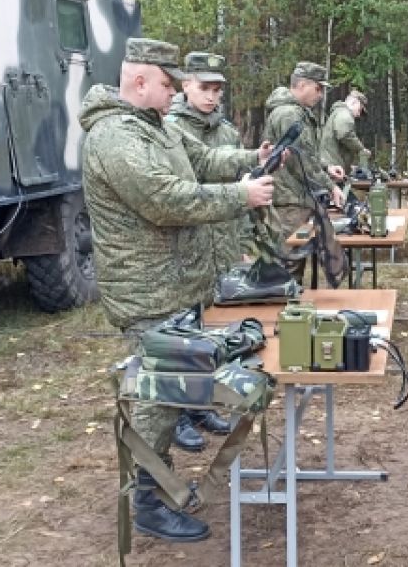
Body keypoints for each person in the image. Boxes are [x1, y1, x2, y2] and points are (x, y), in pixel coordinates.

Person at [80, 37, 277, 542]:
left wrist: (253, 156)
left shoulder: (157, 127)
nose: (175, 94)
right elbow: (165, 200)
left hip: (177, 289)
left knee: (171, 396)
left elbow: (205, 161)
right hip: (147, 296)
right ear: (140, 80)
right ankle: (149, 501)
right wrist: (242, 196)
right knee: (155, 403)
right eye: (168, 84)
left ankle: (157, 491)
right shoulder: (114, 138)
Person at [165, 50, 247, 450]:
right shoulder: (171, 129)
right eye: (204, 87)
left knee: (211, 335)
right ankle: (177, 412)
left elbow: (241, 191)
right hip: (189, 247)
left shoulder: (227, 130)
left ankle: (200, 403)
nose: (212, 96)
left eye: (217, 89)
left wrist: (244, 245)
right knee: (182, 333)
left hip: (224, 246)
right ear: (185, 86)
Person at [263, 62, 346, 242]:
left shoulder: (296, 112)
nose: (321, 95)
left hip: (292, 198)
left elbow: (307, 152)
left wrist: (326, 167)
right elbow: (301, 162)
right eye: (318, 88)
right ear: (302, 85)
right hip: (287, 202)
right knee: (287, 264)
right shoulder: (289, 115)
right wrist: (331, 187)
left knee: (292, 263)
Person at [321, 89, 370, 173]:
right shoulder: (344, 113)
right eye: (359, 110)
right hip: (333, 168)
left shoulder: (338, 113)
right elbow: (344, 134)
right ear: (354, 102)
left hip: (331, 165)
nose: (358, 115)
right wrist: (361, 150)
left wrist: (349, 167)